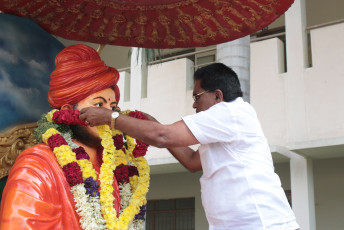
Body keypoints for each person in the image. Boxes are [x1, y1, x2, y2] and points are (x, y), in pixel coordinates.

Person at [80, 63, 300, 230]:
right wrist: (153, 125)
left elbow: (163, 137)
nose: (194, 104)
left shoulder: (230, 112)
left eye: (197, 96)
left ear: (217, 96)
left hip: (262, 224)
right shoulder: (222, 125)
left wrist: (111, 117)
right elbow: (192, 162)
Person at [0, 44, 149, 229]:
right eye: (99, 105)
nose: (109, 117)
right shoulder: (38, 165)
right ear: (68, 112)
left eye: (113, 107)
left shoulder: (117, 167)